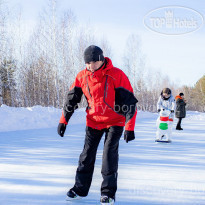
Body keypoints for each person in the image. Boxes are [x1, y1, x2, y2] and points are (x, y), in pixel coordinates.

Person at [57, 45, 138, 204]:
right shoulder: (82, 76)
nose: (90, 66)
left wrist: (129, 127)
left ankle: (108, 193)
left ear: (101, 59)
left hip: (115, 121)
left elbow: (129, 102)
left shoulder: (117, 75)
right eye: (87, 63)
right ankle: (79, 189)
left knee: (109, 155)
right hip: (94, 121)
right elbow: (71, 100)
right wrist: (63, 120)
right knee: (86, 155)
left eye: (93, 62)